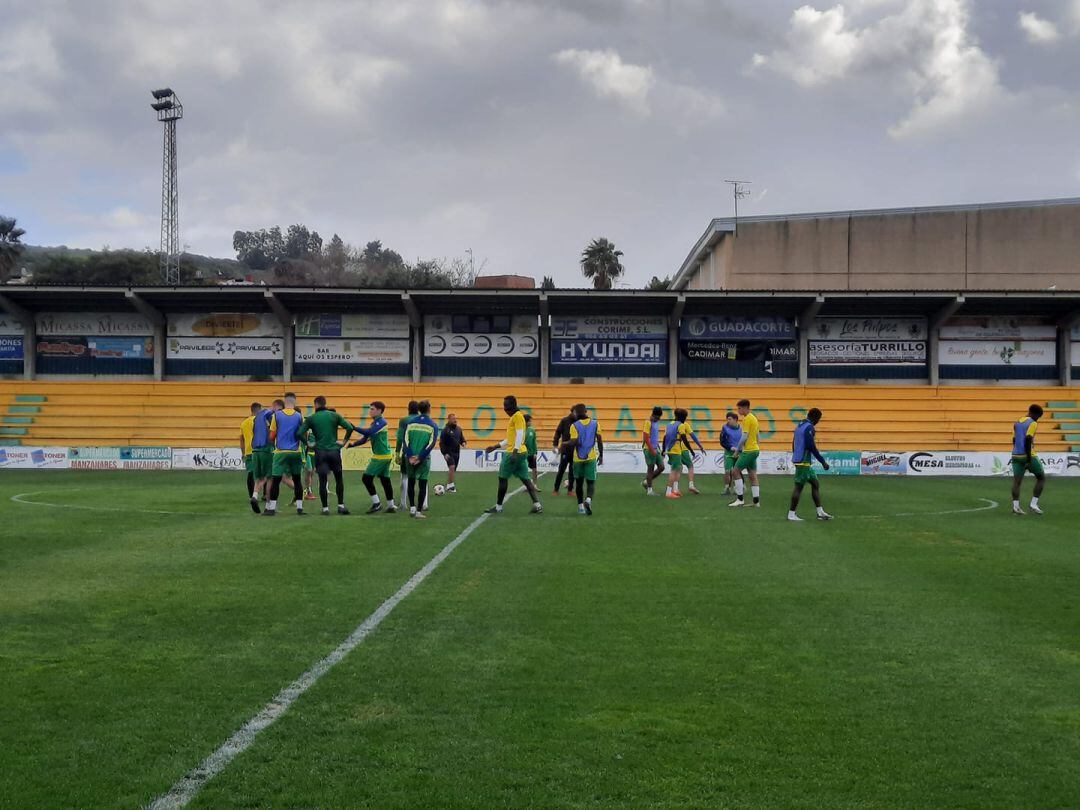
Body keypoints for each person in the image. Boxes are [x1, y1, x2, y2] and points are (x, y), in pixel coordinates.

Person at [484, 395, 544, 514]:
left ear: (510, 406)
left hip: (514, 452)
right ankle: (537, 505)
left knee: (502, 478)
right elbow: (512, 437)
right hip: (522, 451)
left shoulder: (517, 417)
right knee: (526, 480)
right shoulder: (518, 417)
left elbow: (521, 435)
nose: (504, 409)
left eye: (505, 406)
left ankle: (498, 507)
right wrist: (495, 446)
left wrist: (514, 453)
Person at [298, 395, 354, 516]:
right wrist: (344, 441)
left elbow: (299, 433)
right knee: (339, 478)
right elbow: (349, 427)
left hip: (320, 452)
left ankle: (325, 508)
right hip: (334, 451)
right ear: (325, 403)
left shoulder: (312, 418)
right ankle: (341, 505)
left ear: (316, 405)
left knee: (322, 480)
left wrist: (308, 444)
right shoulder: (334, 415)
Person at [349, 401, 398, 514]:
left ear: (380, 410)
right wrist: (353, 445)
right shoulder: (375, 423)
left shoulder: (382, 422)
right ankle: (391, 505)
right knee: (385, 480)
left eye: (372, 409)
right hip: (385, 455)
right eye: (370, 409)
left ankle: (377, 503)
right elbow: (366, 438)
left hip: (381, 457)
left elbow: (369, 432)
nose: (370, 411)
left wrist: (354, 428)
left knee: (366, 479)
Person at [264, 392, 307, 517]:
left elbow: (272, 436)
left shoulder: (276, 415)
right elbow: (303, 434)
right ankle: (299, 508)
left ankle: (271, 508)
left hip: (280, 452)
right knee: (297, 480)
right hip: (295, 452)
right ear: (295, 402)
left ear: (285, 401)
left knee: (276, 480)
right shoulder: (299, 416)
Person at [788, 408, 833, 522]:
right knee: (799, 487)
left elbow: (794, 441)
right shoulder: (809, 427)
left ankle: (820, 512)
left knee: (815, 483)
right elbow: (811, 446)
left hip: (802, 459)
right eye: (819, 419)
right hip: (803, 461)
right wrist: (823, 461)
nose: (818, 422)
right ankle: (791, 514)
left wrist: (795, 454)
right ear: (816, 418)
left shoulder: (800, 425)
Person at [561, 403, 603, 515]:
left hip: (578, 459)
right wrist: (601, 455)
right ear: (585, 412)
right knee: (590, 482)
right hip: (591, 457)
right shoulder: (595, 423)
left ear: (576, 413)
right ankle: (588, 500)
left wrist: (564, 444)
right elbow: (599, 440)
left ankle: (580, 507)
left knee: (579, 483)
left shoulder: (574, 425)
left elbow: (573, 441)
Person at [403, 400, 439, 519]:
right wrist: (420, 456)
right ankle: (418, 511)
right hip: (423, 459)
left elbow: (405, 440)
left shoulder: (411, 423)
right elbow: (431, 443)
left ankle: (412, 508)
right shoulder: (433, 425)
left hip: (410, 459)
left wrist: (410, 456)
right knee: (423, 484)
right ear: (429, 409)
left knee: (411, 482)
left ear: (419, 409)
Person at [1011, 404, 1046, 515]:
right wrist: (1028, 459)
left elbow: (1014, 439)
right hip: (1027, 454)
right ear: (1033, 413)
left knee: (1017, 482)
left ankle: (1016, 507)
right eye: (1038, 416)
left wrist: (1017, 450)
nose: (1037, 419)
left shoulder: (1017, 423)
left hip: (1015, 455)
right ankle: (1033, 504)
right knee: (1041, 478)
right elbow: (1028, 439)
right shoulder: (1032, 423)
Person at [729, 399, 761, 508]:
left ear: (745, 408)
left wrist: (737, 451)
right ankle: (756, 502)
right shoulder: (754, 418)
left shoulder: (747, 419)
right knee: (752, 475)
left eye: (739, 408)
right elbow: (757, 435)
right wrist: (757, 446)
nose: (738, 410)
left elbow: (744, 436)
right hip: (755, 449)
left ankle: (740, 499)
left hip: (749, 450)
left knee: (735, 471)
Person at [247, 400, 275, 511]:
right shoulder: (270, 415)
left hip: (255, 451)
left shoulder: (256, 418)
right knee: (269, 478)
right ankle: (268, 506)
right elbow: (272, 432)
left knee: (258, 478)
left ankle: (254, 496)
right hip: (266, 450)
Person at [662, 408, 692, 499]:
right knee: (674, 470)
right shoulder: (681, 425)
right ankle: (668, 492)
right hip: (676, 450)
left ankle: (675, 489)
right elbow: (684, 439)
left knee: (678, 468)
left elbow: (665, 437)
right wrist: (690, 449)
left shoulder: (670, 424)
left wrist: (664, 449)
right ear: (683, 417)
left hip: (669, 449)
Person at [240, 402, 262, 513]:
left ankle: (251, 495)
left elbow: (241, 439)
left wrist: (243, 452)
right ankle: (262, 495)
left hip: (248, 451)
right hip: (259, 450)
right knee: (264, 473)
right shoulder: (259, 421)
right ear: (259, 410)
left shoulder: (244, 423)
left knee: (251, 472)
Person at [551, 406, 577, 497]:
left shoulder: (579, 422)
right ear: (572, 411)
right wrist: (555, 444)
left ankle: (570, 490)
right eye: (576, 412)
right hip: (565, 450)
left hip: (575, 451)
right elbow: (558, 433)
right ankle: (556, 489)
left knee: (572, 471)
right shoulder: (565, 421)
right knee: (561, 470)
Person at [396, 400, 420, 499]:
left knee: (405, 477)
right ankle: (424, 504)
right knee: (423, 479)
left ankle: (403, 503)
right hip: (421, 452)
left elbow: (400, 438)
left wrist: (397, 452)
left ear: (408, 408)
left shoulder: (404, 420)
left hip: (408, 452)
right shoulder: (423, 420)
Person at [439, 412, 466, 493]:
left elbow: (461, 439)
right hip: (449, 452)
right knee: (452, 467)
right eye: (453, 419)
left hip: (457, 452)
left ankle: (448, 485)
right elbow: (442, 443)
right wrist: (444, 453)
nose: (455, 420)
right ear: (449, 420)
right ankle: (451, 486)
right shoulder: (445, 430)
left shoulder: (459, 429)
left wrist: (463, 442)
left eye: (455, 418)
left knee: (453, 469)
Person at [641, 406, 665, 495]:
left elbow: (655, 437)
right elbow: (646, 438)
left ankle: (646, 482)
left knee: (661, 467)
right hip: (648, 449)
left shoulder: (656, 423)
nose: (659, 418)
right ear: (655, 415)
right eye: (659, 416)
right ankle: (649, 490)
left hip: (655, 448)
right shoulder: (648, 422)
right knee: (650, 469)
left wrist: (659, 448)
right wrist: (651, 449)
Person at [681, 417, 706, 495]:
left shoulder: (671, 425)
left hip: (673, 449)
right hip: (683, 448)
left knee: (676, 468)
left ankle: (673, 488)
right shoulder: (685, 425)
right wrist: (700, 446)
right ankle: (691, 485)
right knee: (690, 466)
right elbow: (693, 436)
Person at [720, 411, 742, 496]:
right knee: (727, 471)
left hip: (739, 453)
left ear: (735, 419)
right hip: (729, 453)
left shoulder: (741, 429)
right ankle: (727, 488)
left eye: (730, 419)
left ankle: (739, 487)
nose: (728, 421)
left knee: (737, 471)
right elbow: (722, 441)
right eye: (727, 419)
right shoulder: (725, 428)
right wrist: (730, 447)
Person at [524, 412, 539, 487]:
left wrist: (535, 452)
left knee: (534, 470)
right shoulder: (521, 431)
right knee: (524, 471)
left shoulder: (532, 430)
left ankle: (535, 484)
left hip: (532, 454)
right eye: (529, 421)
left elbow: (534, 442)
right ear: (525, 422)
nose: (531, 422)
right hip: (523, 454)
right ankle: (528, 485)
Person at [302, 431, 317, 501]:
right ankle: (309, 491)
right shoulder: (307, 424)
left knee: (312, 472)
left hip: (315, 452)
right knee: (309, 471)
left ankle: (308, 489)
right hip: (308, 452)